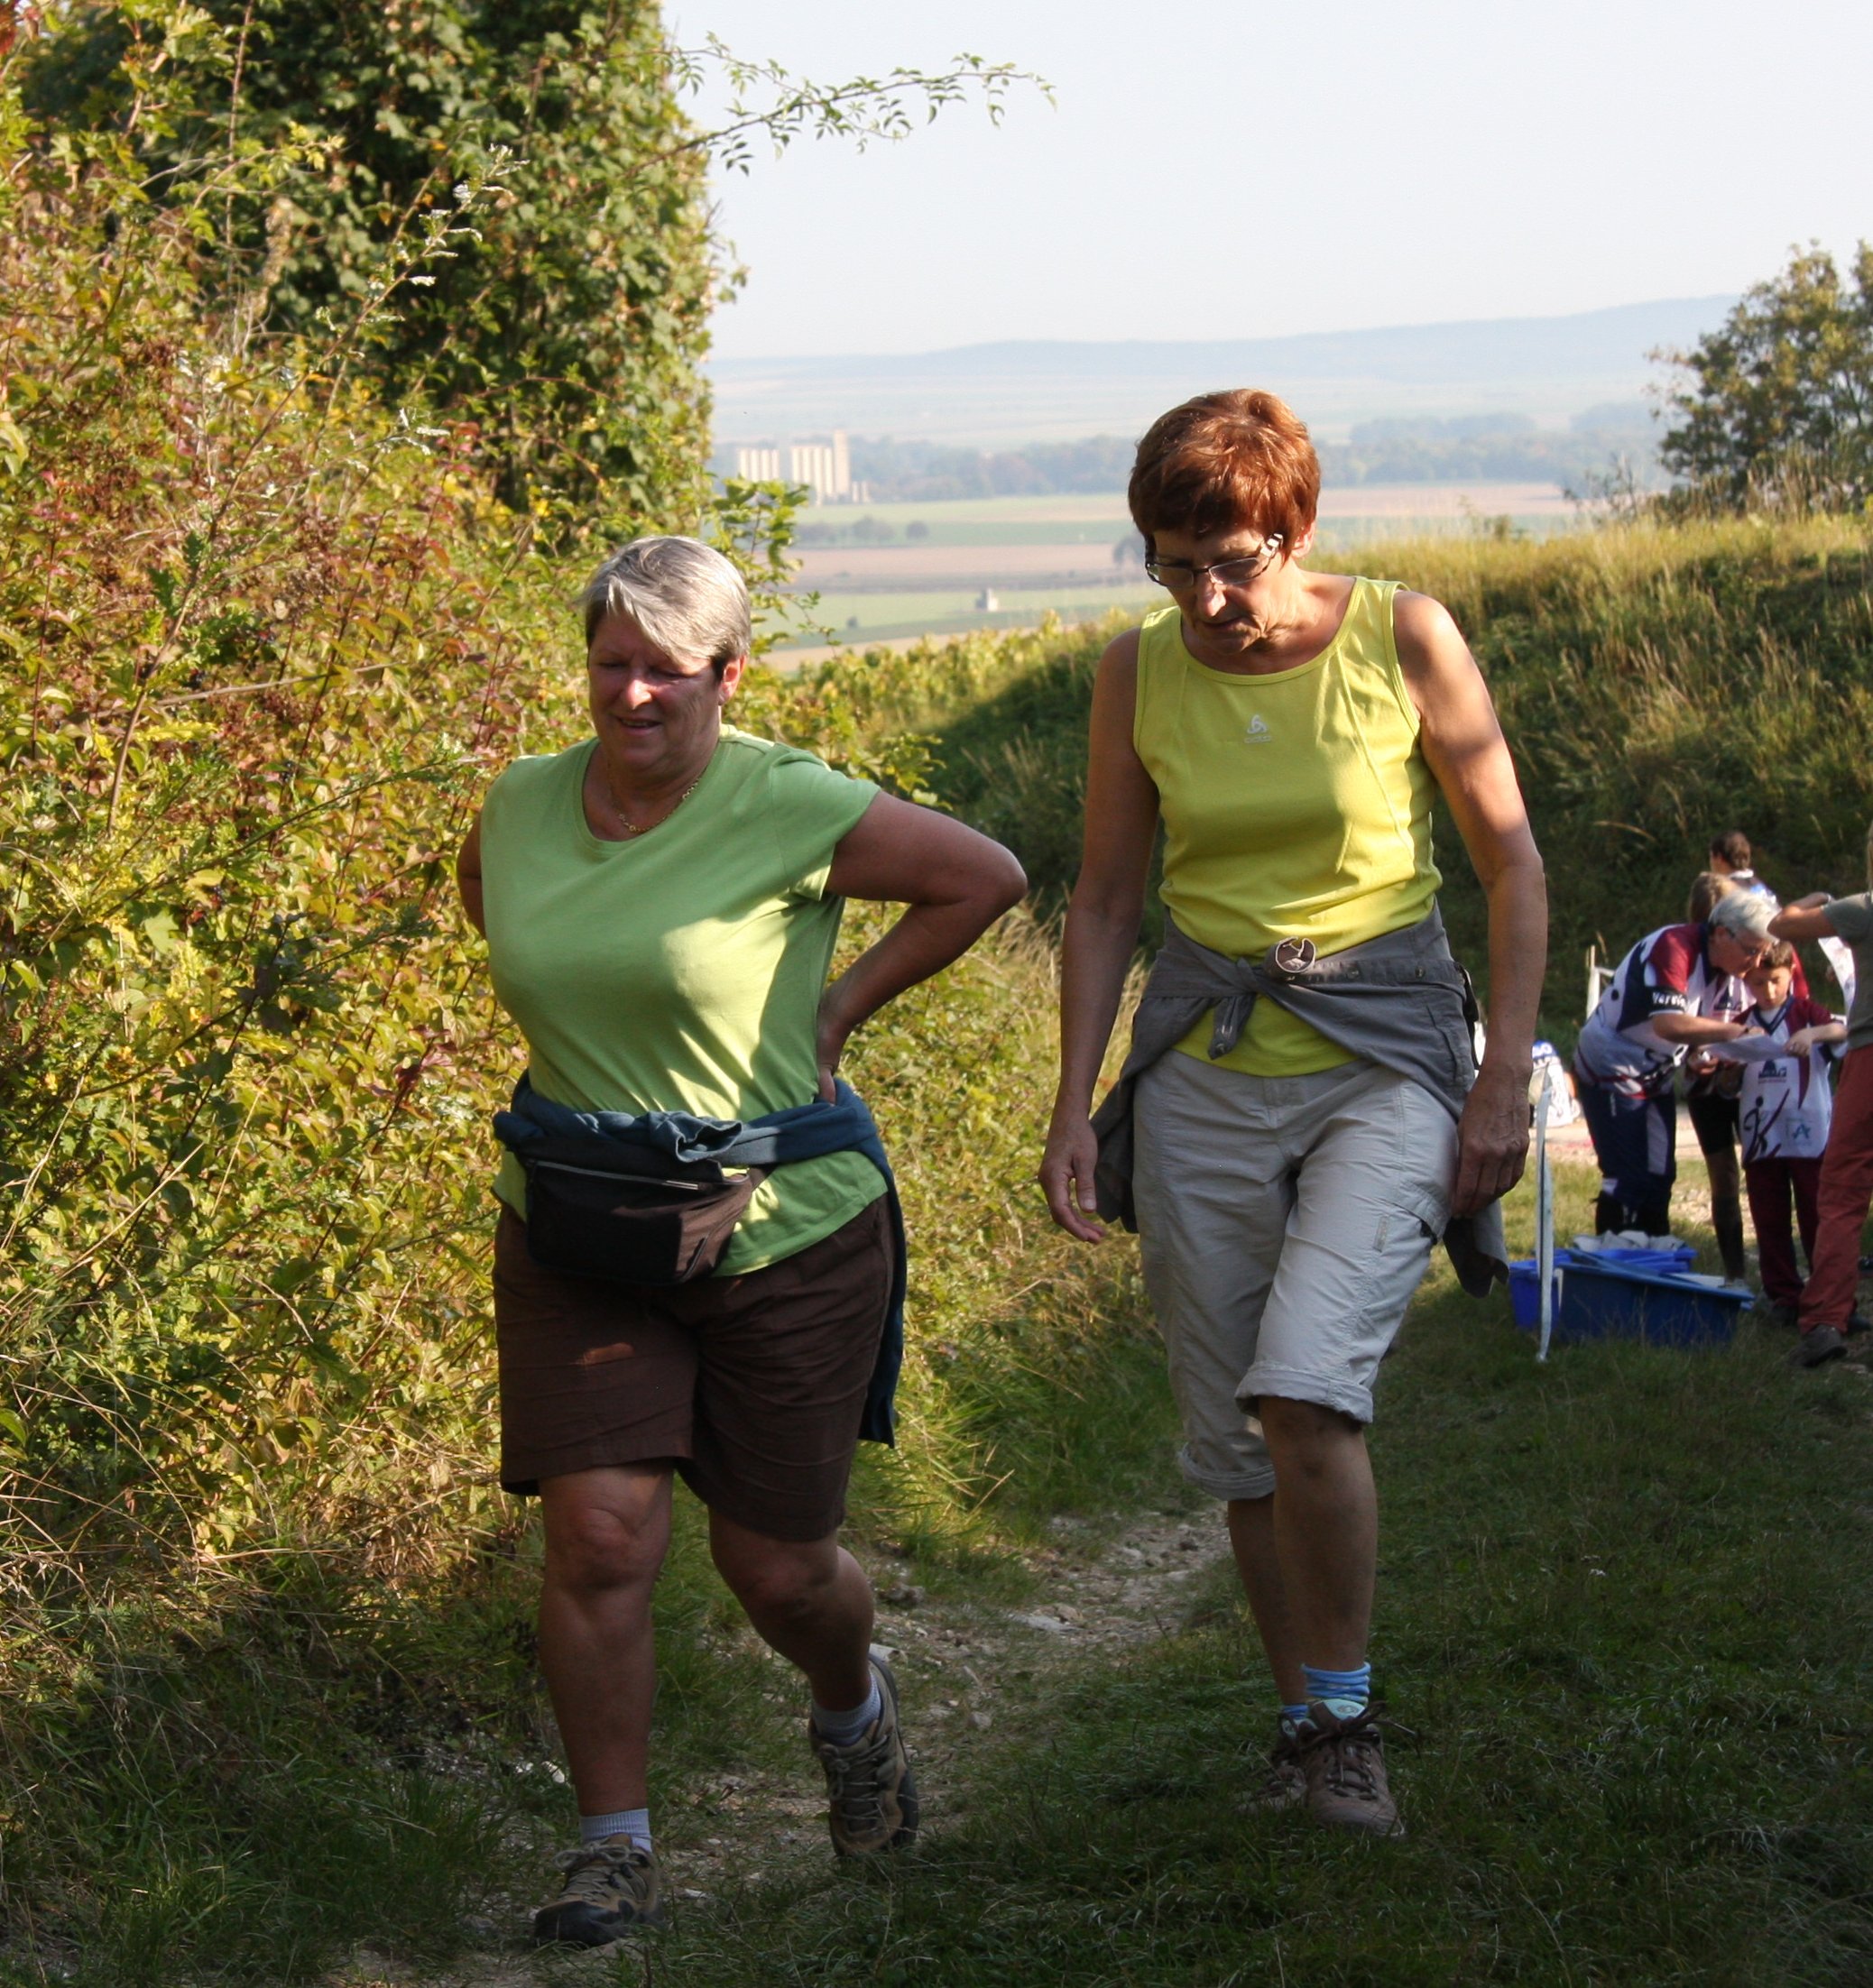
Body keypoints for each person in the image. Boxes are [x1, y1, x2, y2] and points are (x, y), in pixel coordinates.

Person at [456, 536, 1026, 1945]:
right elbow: (497, 910)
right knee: (598, 1537)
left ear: (727, 675)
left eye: (666, 669)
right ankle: (613, 1852)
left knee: (777, 1570)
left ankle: (855, 1714)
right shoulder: (522, 803)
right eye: (611, 664)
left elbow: (984, 877)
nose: (632, 694)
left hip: (783, 1234)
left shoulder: (789, 800)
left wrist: (835, 1012)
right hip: (581, 1224)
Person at [1038, 390, 1545, 1840]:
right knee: (1238, 1435)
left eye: (1234, 563)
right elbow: (1107, 901)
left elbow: (1511, 864)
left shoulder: (1404, 636)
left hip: (1384, 1056)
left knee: (1309, 1388)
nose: (1207, 599)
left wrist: (1502, 1076)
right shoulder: (1137, 672)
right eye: (1172, 566)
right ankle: (1308, 1723)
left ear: (1298, 530)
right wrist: (1075, 1106)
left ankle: (1348, 1718)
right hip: (1204, 1070)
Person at [1571, 891, 1776, 1238]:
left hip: (1657, 1071)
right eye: (1751, 950)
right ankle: (1616, 1257)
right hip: (1613, 1063)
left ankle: (1655, 1252)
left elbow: (1695, 1029)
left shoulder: (1726, 968)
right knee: (1627, 1175)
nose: (1756, 962)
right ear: (1722, 934)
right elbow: (1669, 1023)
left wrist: (1700, 1055)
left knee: (1660, 1174)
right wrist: (1737, 1033)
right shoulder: (1674, 946)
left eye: (1762, 953)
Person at [1768, 832, 1873, 1367]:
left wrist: (1817, 900)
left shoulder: (1863, 909)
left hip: (1869, 1057)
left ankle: (1827, 1319)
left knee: (1841, 1193)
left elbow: (1781, 926)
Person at [1717, 942, 1844, 1326]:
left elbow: (1841, 1030)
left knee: (1817, 1218)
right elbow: (1724, 1086)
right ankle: (1784, 1297)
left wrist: (1813, 1035)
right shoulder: (1741, 1024)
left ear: (1791, 974)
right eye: (1758, 983)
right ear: (1746, 982)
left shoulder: (1808, 1014)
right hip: (1761, 1138)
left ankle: (1830, 1299)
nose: (1769, 990)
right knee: (1770, 1221)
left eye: (1776, 980)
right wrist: (1732, 1071)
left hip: (1809, 1135)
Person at [1679, 872, 1748, 1280]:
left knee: (1764, 1169)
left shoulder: (1755, 953)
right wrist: (1692, 1056)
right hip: (1705, 1084)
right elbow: (1673, 1024)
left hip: (1751, 1078)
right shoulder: (1688, 959)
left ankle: (1779, 1266)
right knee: (1723, 1174)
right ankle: (1735, 1271)